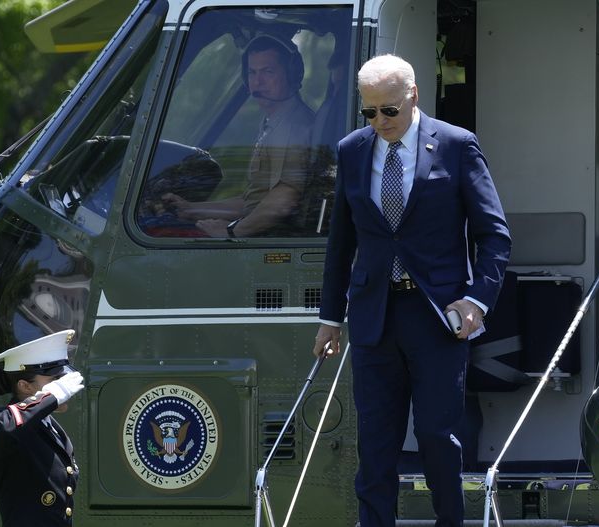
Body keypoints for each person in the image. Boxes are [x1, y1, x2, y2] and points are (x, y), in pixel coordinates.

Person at [312, 54, 511, 527]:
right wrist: (328, 317)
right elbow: (342, 243)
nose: (380, 121)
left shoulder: (457, 146)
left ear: (413, 96)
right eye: (370, 112)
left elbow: (494, 235)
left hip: (437, 317)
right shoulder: (352, 150)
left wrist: (477, 300)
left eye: (389, 110)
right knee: (375, 442)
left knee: (437, 437)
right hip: (373, 316)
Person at [161, 34, 315, 237]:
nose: (257, 82)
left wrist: (231, 233)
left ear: (292, 75)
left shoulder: (293, 126)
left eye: (268, 72)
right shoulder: (274, 121)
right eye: (252, 73)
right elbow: (253, 203)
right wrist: (190, 209)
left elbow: (283, 201)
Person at [0, 330, 85, 527]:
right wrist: (51, 396)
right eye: (55, 380)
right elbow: (7, 427)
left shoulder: (52, 428)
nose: (64, 387)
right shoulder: (2, 424)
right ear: (25, 386)